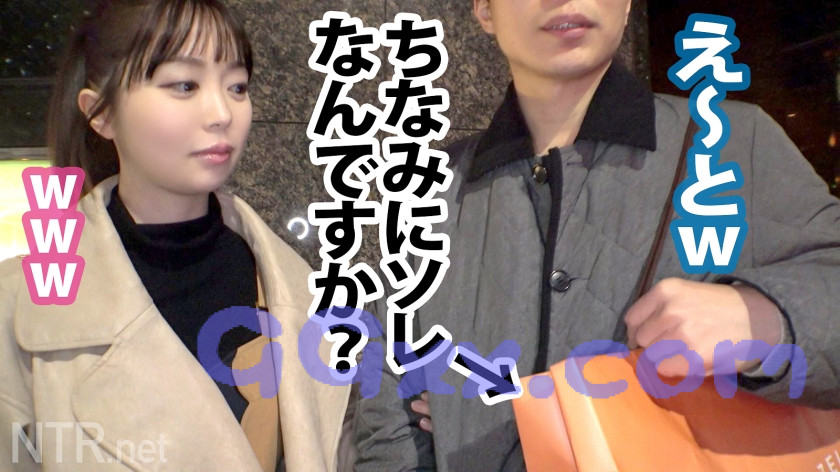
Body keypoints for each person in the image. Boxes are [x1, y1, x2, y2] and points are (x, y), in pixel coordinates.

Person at [353, 0, 840, 470]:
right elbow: (389, 417)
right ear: (485, 10)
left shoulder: (730, 142)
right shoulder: (427, 190)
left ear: (626, 5)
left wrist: (766, 320)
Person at [0, 1, 348, 470]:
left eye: (237, 86)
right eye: (185, 85)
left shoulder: (300, 292)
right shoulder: (18, 311)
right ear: (100, 113)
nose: (222, 113)